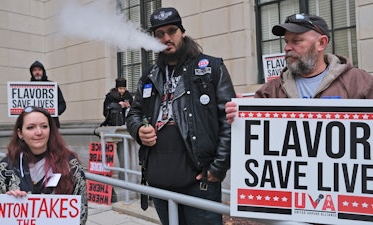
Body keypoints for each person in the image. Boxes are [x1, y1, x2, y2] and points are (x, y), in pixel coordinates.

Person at [225, 13, 373, 225]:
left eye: (297, 41)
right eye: (286, 42)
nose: (287, 47)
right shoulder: (271, 90)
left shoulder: (359, 82)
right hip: (291, 213)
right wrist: (238, 115)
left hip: (343, 210)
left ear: (322, 43)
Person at [126, 7, 236, 225]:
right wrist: (138, 130)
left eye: (172, 31)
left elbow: (229, 120)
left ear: (182, 32)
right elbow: (134, 113)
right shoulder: (149, 76)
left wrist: (218, 167)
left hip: (200, 183)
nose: (166, 38)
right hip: (159, 182)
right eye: (159, 34)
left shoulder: (212, 67)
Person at [0, 106, 88, 225]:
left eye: (44, 126)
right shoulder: (6, 167)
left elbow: (81, 213)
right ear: (20, 133)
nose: (39, 132)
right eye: (30, 127)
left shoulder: (70, 164)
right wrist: (6, 202)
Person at [30, 60, 67, 128]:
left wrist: (54, 112)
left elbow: (62, 104)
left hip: (52, 124)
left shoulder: (53, 86)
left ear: (43, 71)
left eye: (39, 70)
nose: (37, 72)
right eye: (34, 70)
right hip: (34, 125)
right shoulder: (26, 87)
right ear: (31, 72)